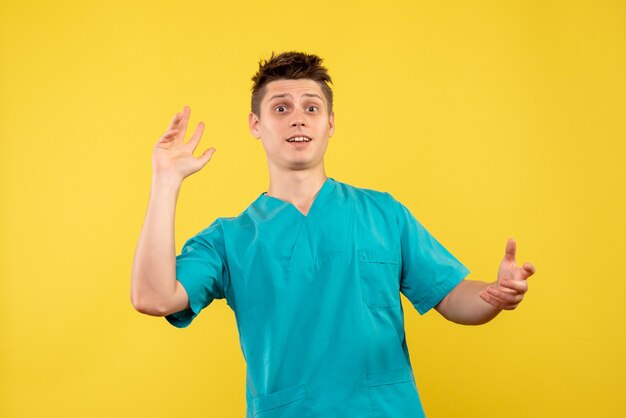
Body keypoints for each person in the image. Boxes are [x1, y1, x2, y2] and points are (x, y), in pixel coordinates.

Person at [130, 51, 536, 417]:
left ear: (330, 123)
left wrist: (492, 296)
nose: (298, 118)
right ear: (255, 124)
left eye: (311, 107)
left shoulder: (383, 214)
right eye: (281, 107)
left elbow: (451, 297)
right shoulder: (228, 240)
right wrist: (166, 181)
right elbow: (152, 297)